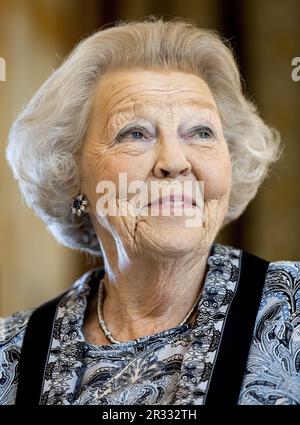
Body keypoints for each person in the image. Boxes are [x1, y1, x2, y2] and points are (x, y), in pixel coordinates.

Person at [1, 17, 299, 406]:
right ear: (70, 172)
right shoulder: (11, 353)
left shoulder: (290, 312)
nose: (174, 162)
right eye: (135, 133)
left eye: (202, 132)